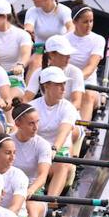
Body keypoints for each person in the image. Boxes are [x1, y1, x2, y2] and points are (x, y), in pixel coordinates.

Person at [28, 66, 78, 196]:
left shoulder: (68, 108)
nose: (63, 88)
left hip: (59, 152)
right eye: (58, 84)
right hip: (37, 151)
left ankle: (50, 203)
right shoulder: (32, 107)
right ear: (47, 86)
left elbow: (64, 131)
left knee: (62, 165)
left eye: (64, 83)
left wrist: (54, 149)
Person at [9, 100, 53, 217]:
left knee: (30, 208)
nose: (36, 127)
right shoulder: (8, 143)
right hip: (10, 189)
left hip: (34, 192)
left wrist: (30, 190)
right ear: (18, 124)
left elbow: (42, 176)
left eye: (37, 122)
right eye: (31, 123)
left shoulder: (43, 145)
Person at [24, 0, 73, 78]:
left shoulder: (64, 11)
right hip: (40, 49)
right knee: (35, 62)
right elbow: (28, 30)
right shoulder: (32, 12)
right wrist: (27, 35)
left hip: (59, 49)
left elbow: (71, 28)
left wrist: (59, 41)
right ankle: (28, 91)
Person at [22, 34, 84, 112]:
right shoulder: (38, 72)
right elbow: (26, 99)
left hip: (68, 115)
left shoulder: (76, 72)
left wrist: (63, 115)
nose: (69, 57)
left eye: (69, 53)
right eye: (64, 54)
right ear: (51, 55)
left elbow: (77, 103)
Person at [65, 4, 106, 121]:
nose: (89, 25)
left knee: (86, 95)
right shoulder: (64, 39)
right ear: (75, 22)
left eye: (91, 21)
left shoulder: (98, 40)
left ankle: (81, 130)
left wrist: (74, 79)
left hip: (87, 84)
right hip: (66, 83)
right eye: (85, 22)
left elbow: (91, 67)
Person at [0, 0, 33, 84]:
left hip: (14, 79)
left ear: (4, 16)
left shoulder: (22, 35)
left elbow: (25, 54)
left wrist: (20, 65)